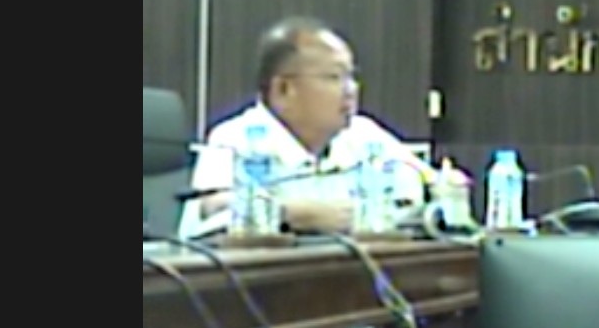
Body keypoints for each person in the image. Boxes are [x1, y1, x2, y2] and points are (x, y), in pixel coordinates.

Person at [180, 17, 431, 238]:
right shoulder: (238, 138)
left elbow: (427, 187)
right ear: (283, 89)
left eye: (352, 77)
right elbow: (215, 208)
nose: (351, 90)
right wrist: (297, 214)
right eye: (334, 77)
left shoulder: (364, 135)